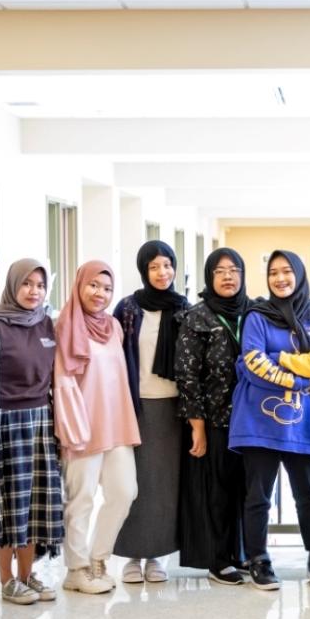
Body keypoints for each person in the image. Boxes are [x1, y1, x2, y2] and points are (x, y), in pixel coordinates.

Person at [228, 251, 310, 590]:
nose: (280, 278)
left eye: (287, 271)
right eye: (273, 272)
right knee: (258, 494)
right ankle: (258, 559)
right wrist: (300, 377)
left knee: (309, 493)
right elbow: (253, 364)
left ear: (299, 275)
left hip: (301, 421)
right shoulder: (256, 316)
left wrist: (278, 358)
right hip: (259, 422)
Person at [54, 261, 141, 595]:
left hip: (117, 423)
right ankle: (76, 570)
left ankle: (98, 558)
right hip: (82, 425)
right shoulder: (65, 324)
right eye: (93, 286)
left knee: (123, 492)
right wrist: (74, 430)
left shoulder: (114, 327)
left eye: (106, 288)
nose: (100, 294)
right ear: (79, 285)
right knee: (82, 499)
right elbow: (63, 381)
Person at [0, 259, 62, 605]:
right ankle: (6, 579)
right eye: (26, 284)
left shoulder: (46, 323)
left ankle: (29, 574)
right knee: (8, 502)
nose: (34, 291)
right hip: (5, 420)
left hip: (41, 419)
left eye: (40, 285)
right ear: (12, 285)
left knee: (36, 501)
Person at [113, 241, 189, 584]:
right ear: (144, 269)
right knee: (132, 483)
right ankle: (131, 554)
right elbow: (113, 357)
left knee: (163, 485)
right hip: (135, 405)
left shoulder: (184, 308)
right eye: (155, 267)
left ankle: (157, 555)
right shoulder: (128, 308)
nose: (163, 273)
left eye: (168, 266)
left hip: (173, 407)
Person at [175, 248, 249, 585]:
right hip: (217, 419)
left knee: (247, 490)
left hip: (253, 420)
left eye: (234, 270)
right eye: (220, 271)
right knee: (218, 491)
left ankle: (240, 553)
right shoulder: (198, 316)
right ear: (209, 277)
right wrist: (198, 428)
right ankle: (219, 560)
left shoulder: (253, 311)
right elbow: (187, 375)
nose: (228, 276)